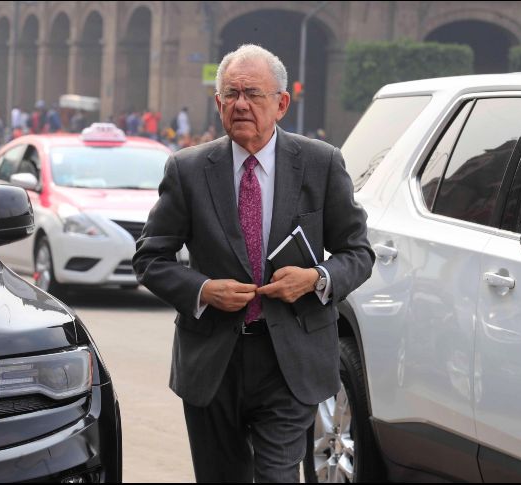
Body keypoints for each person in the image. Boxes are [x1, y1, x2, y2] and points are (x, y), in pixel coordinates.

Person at [132, 44, 374, 483]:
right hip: (213, 362)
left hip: (291, 360)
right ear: (218, 102)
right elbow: (150, 257)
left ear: (281, 103)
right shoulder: (188, 170)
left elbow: (358, 253)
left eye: (253, 94)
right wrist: (203, 290)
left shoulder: (320, 163)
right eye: (232, 93)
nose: (241, 104)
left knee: (278, 476)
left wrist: (315, 279)